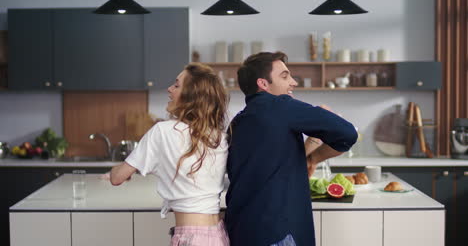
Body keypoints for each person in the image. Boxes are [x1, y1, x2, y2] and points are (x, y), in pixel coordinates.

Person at [225, 52, 357, 246]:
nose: (293, 82)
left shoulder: (237, 122)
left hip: (241, 231)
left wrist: (307, 156)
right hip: (277, 233)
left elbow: (271, 163)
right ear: (263, 84)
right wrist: (313, 160)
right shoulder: (280, 105)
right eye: (285, 76)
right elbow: (347, 133)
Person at [110, 63, 230, 246]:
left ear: (191, 96)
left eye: (176, 85)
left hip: (191, 238)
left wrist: (117, 171)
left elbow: (117, 178)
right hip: (219, 235)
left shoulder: (163, 131)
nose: (169, 89)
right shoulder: (219, 137)